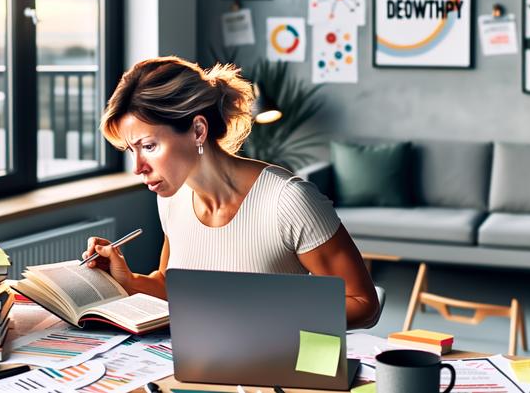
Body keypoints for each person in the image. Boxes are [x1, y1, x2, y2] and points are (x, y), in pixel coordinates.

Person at [83, 56, 380, 328]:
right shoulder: (171, 199)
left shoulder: (287, 200)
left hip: (277, 368)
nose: (138, 167)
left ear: (198, 130)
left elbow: (363, 304)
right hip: (207, 363)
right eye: (130, 150)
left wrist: (257, 313)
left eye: (149, 147)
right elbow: (171, 287)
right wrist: (129, 281)